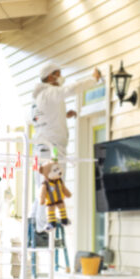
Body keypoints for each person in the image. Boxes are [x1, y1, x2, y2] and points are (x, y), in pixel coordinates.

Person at [30, 62, 102, 232]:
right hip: (52, 149)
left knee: (43, 186)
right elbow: (71, 89)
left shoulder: (39, 97)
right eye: (58, 73)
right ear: (50, 76)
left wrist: (63, 115)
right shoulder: (50, 91)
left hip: (42, 148)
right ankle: (42, 227)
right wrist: (93, 79)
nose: (61, 77)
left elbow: (45, 119)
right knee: (50, 186)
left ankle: (37, 223)